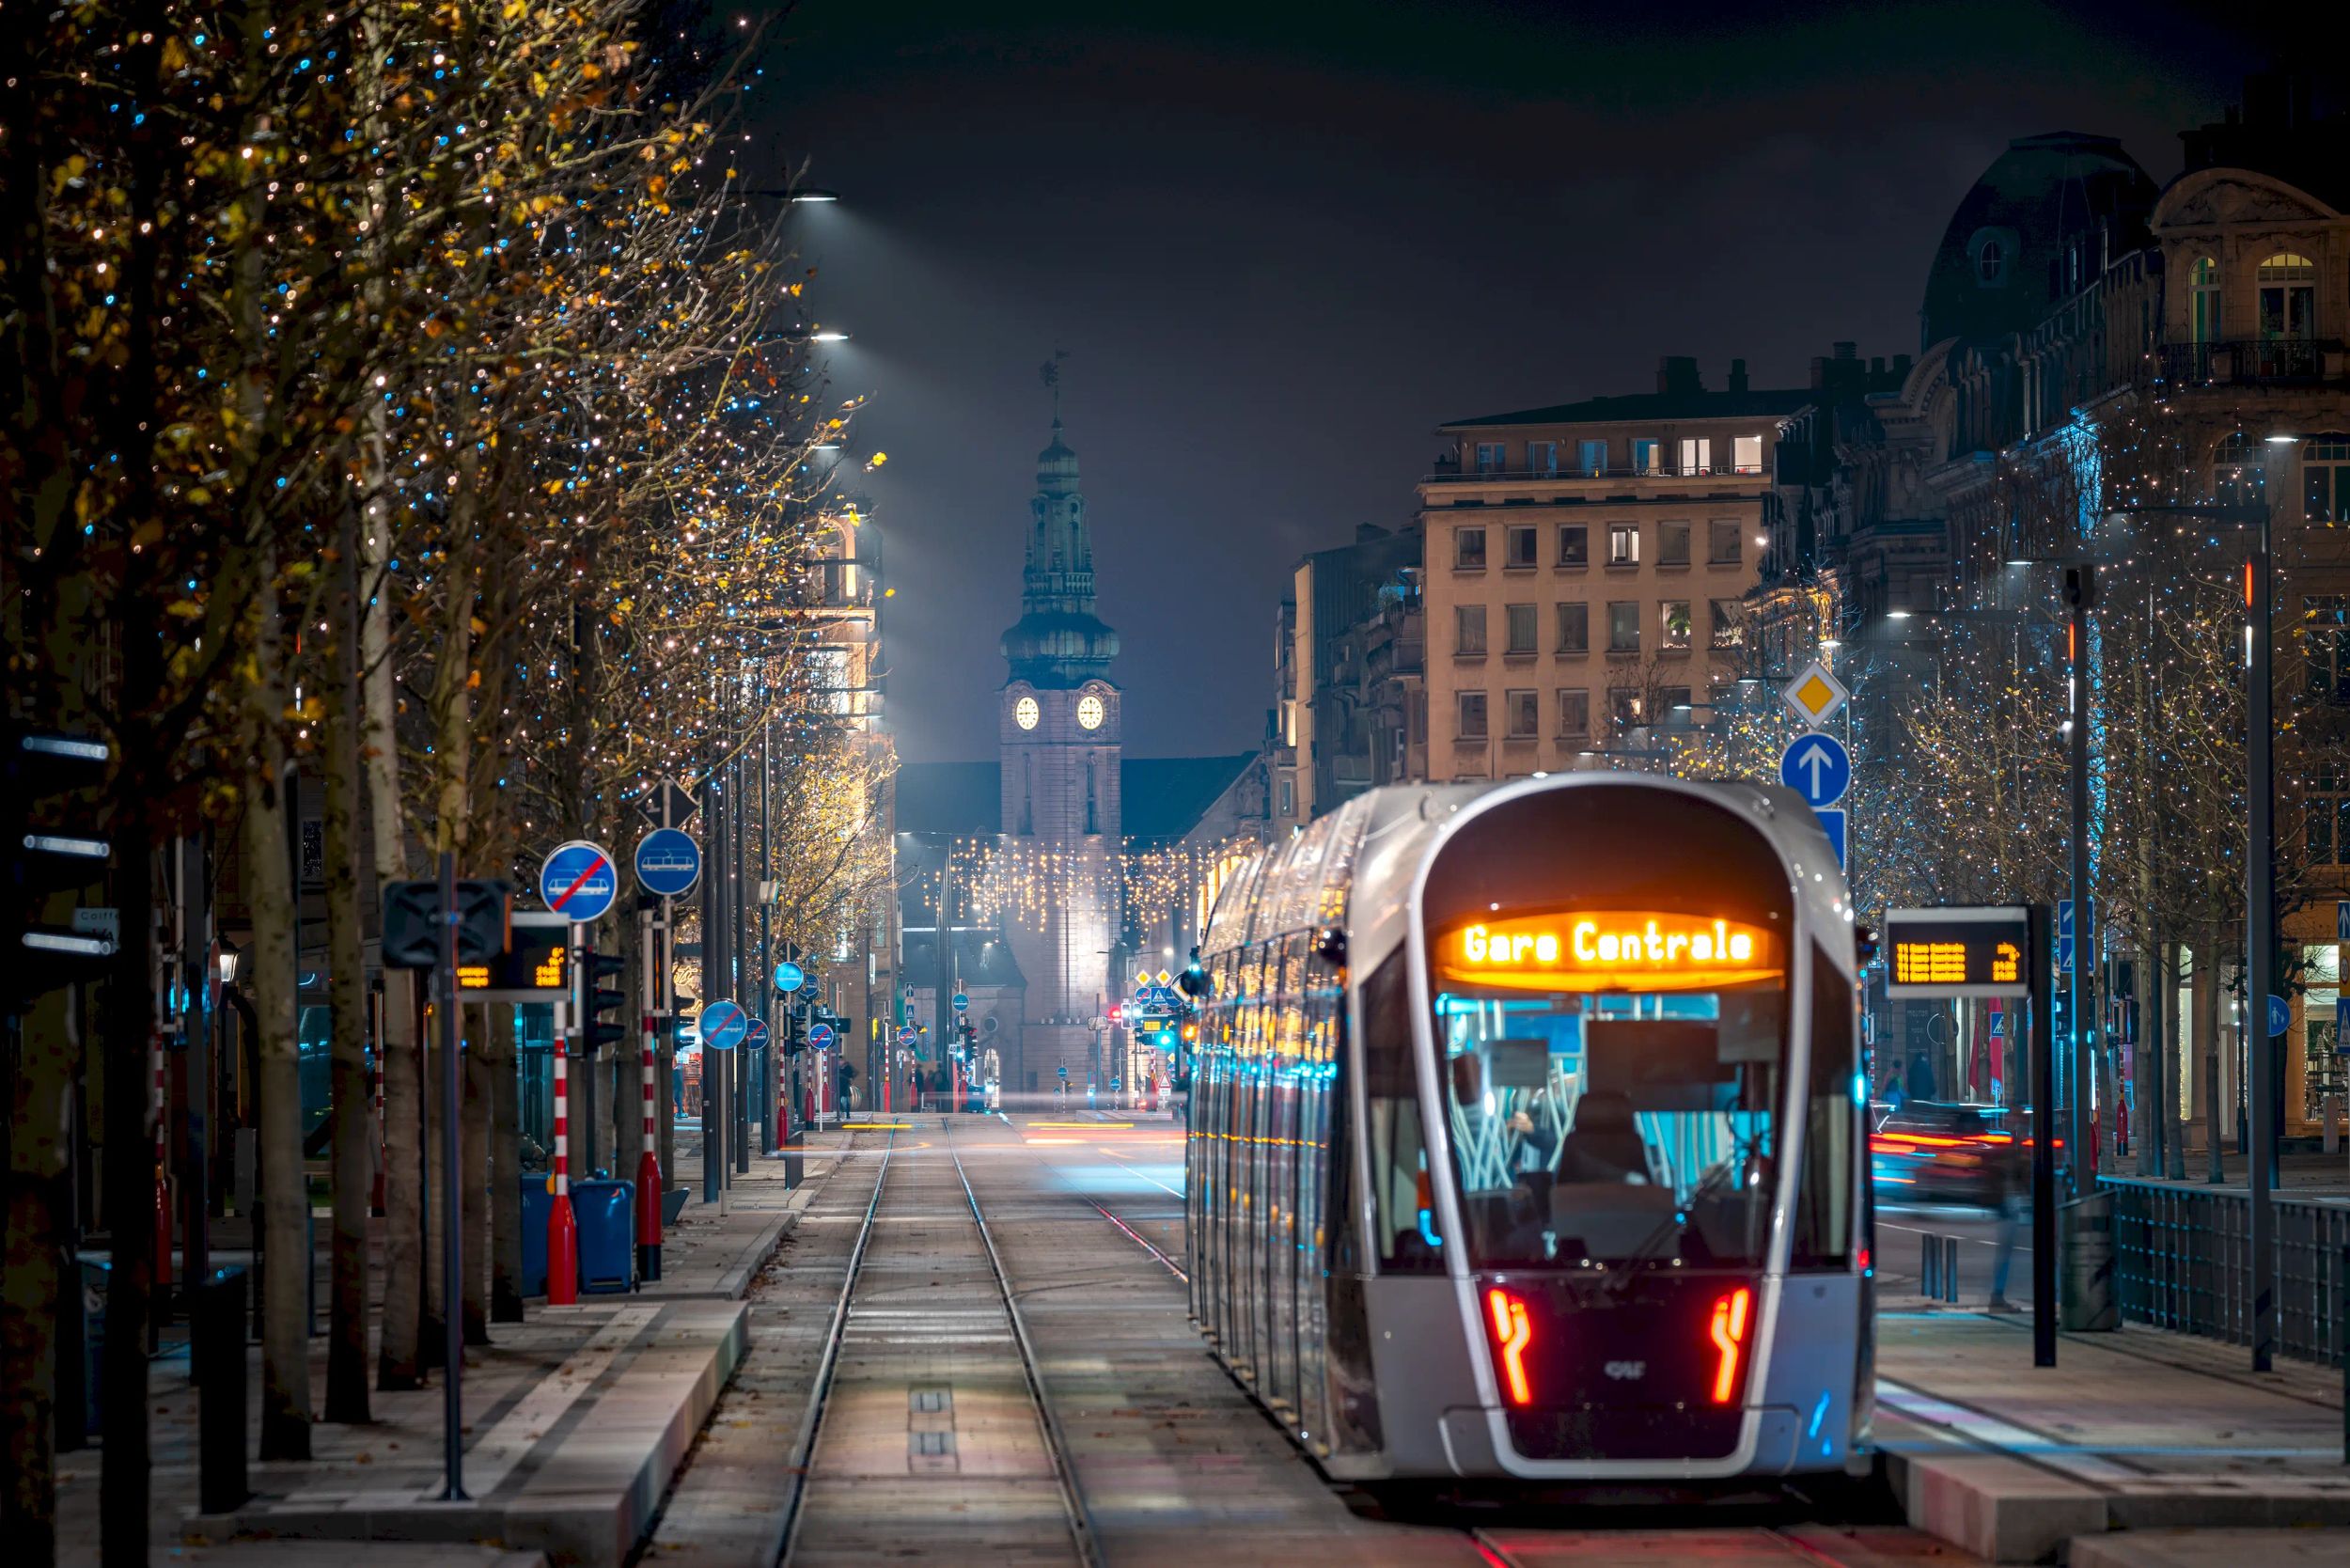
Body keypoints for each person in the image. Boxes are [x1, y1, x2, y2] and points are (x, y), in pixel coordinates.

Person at [1985, 1124, 2028, 1312]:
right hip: (2010, 1205)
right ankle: (1998, 1295)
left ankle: (1998, 1295)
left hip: (2012, 1204)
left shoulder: (2013, 1151)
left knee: (2009, 1253)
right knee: (2007, 1253)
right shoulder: (2007, 1151)